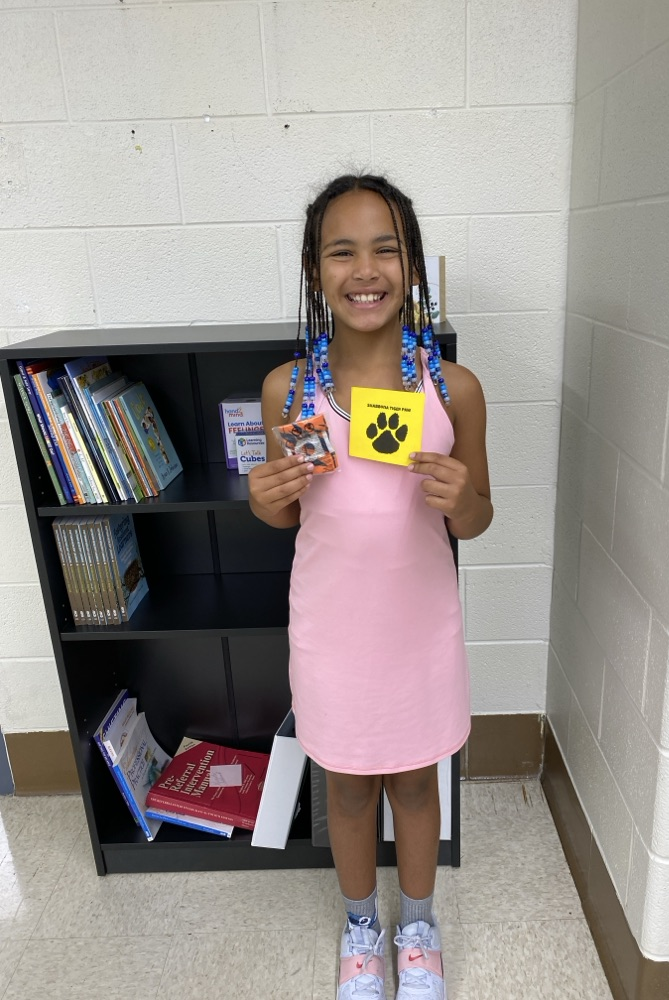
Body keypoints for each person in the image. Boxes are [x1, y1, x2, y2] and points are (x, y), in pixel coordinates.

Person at [249, 174, 492, 1000]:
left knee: (417, 783)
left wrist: (467, 499)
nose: (366, 268)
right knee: (347, 789)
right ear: (316, 272)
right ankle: (363, 928)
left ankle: (416, 926)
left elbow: (478, 519)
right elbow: (290, 515)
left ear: (414, 266)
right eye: (341, 250)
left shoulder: (451, 391)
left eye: (386, 248)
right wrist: (263, 498)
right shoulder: (291, 390)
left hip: (419, 633)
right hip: (333, 636)